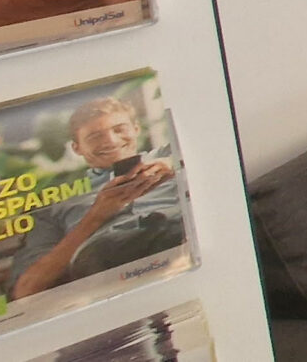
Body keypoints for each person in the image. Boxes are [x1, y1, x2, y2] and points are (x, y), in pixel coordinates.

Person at [10, 96, 184, 297]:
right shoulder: (57, 201)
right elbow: (25, 290)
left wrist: (174, 165)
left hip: (178, 236)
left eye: (119, 129)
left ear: (136, 129)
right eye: (95, 136)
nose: (111, 141)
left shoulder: (173, 154)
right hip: (108, 261)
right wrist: (96, 216)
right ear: (77, 148)